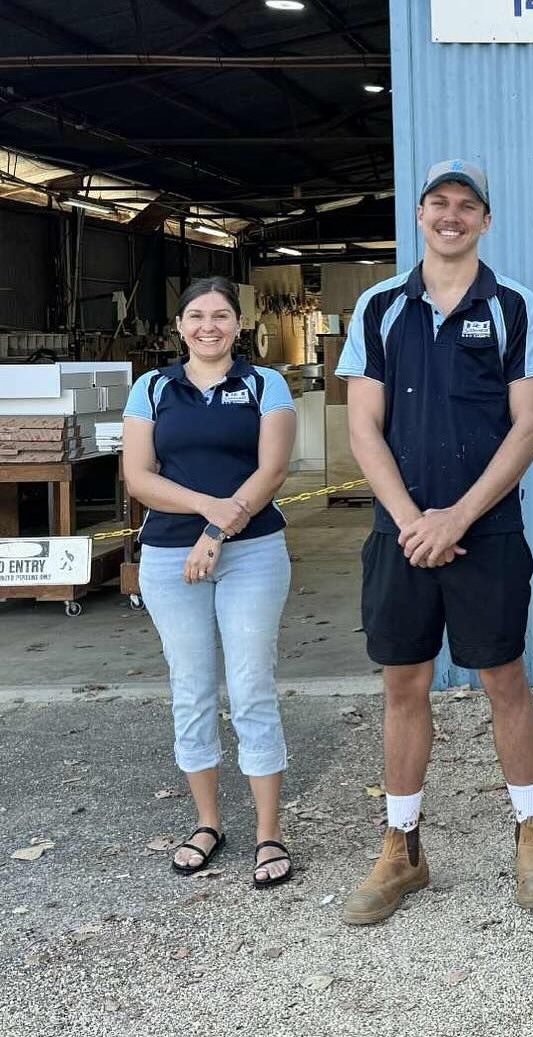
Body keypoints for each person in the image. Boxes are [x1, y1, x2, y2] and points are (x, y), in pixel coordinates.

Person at [336, 158, 533, 925]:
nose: (452, 216)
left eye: (468, 205)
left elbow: (529, 426)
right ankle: (403, 845)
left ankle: (531, 829)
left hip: (486, 530)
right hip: (399, 534)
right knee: (404, 685)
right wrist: (411, 520)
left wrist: (456, 518)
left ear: (486, 221)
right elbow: (362, 425)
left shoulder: (514, 306)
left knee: (504, 679)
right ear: (421, 214)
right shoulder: (377, 308)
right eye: (440, 202)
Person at [121, 275, 297, 888]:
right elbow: (139, 478)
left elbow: (272, 470)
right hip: (170, 558)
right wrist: (207, 509)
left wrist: (219, 532)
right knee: (191, 688)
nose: (208, 326)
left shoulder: (263, 385)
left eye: (221, 315)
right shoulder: (152, 388)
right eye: (196, 315)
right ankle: (208, 822)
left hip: (252, 552)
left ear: (238, 325)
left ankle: (269, 832)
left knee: (251, 686)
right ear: (180, 326)